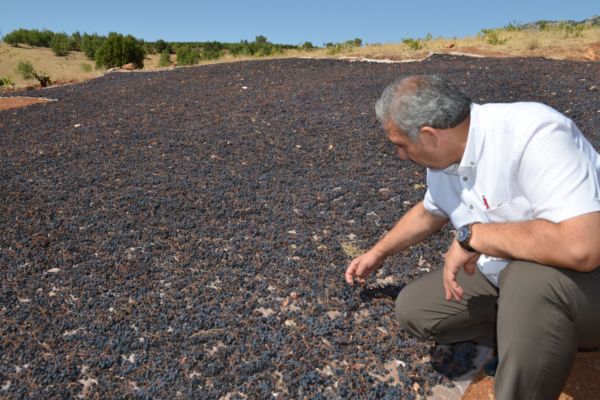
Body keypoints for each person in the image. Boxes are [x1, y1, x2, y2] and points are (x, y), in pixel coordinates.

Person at [344, 75, 600, 400]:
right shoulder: (443, 162)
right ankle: (534, 339)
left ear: (429, 135)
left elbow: (582, 246)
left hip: (588, 281)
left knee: (528, 281)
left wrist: (473, 236)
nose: (400, 155)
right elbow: (429, 212)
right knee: (415, 309)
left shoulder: (533, 132)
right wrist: (377, 253)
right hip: (509, 279)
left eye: (400, 144)